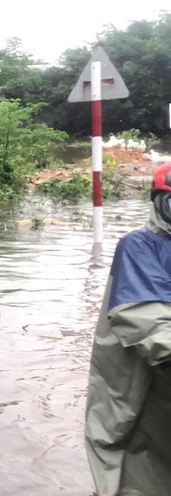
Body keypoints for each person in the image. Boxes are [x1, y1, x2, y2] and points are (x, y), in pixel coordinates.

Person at [85, 162, 171, 496]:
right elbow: (147, 322)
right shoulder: (140, 246)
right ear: (157, 202)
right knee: (138, 470)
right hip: (147, 386)